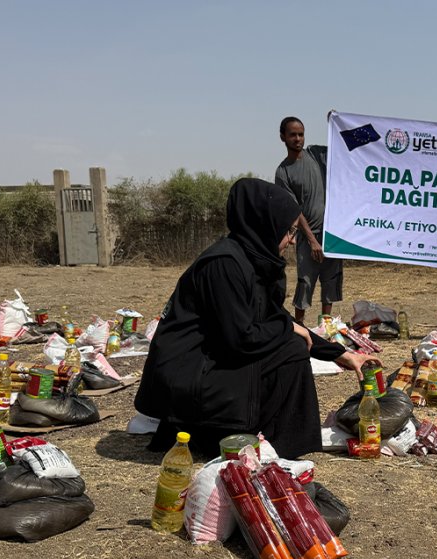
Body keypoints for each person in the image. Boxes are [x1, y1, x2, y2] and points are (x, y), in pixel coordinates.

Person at [135, 178, 376, 459]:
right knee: (291, 350)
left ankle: (259, 438)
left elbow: (274, 317)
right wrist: (287, 328)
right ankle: (254, 442)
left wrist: (340, 354)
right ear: (265, 224)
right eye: (288, 231)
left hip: (207, 363)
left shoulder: (248, 259)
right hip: (186, 376)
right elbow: (242, 339)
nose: (292, 239)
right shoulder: (224, 264)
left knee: (290, 344)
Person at [275, 115, 343, 325]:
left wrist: (336, 123)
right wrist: (312, 240)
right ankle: (300, 327)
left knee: (331, 281)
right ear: (283, 137)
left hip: (331, 233)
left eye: (301, 134)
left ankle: (327, 327)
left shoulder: (315, 154)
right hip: (307, 237)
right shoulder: (283, 172)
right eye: (292, 135)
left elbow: (343, 149)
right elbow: (294, 209)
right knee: (305, 282)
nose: (298, 139)